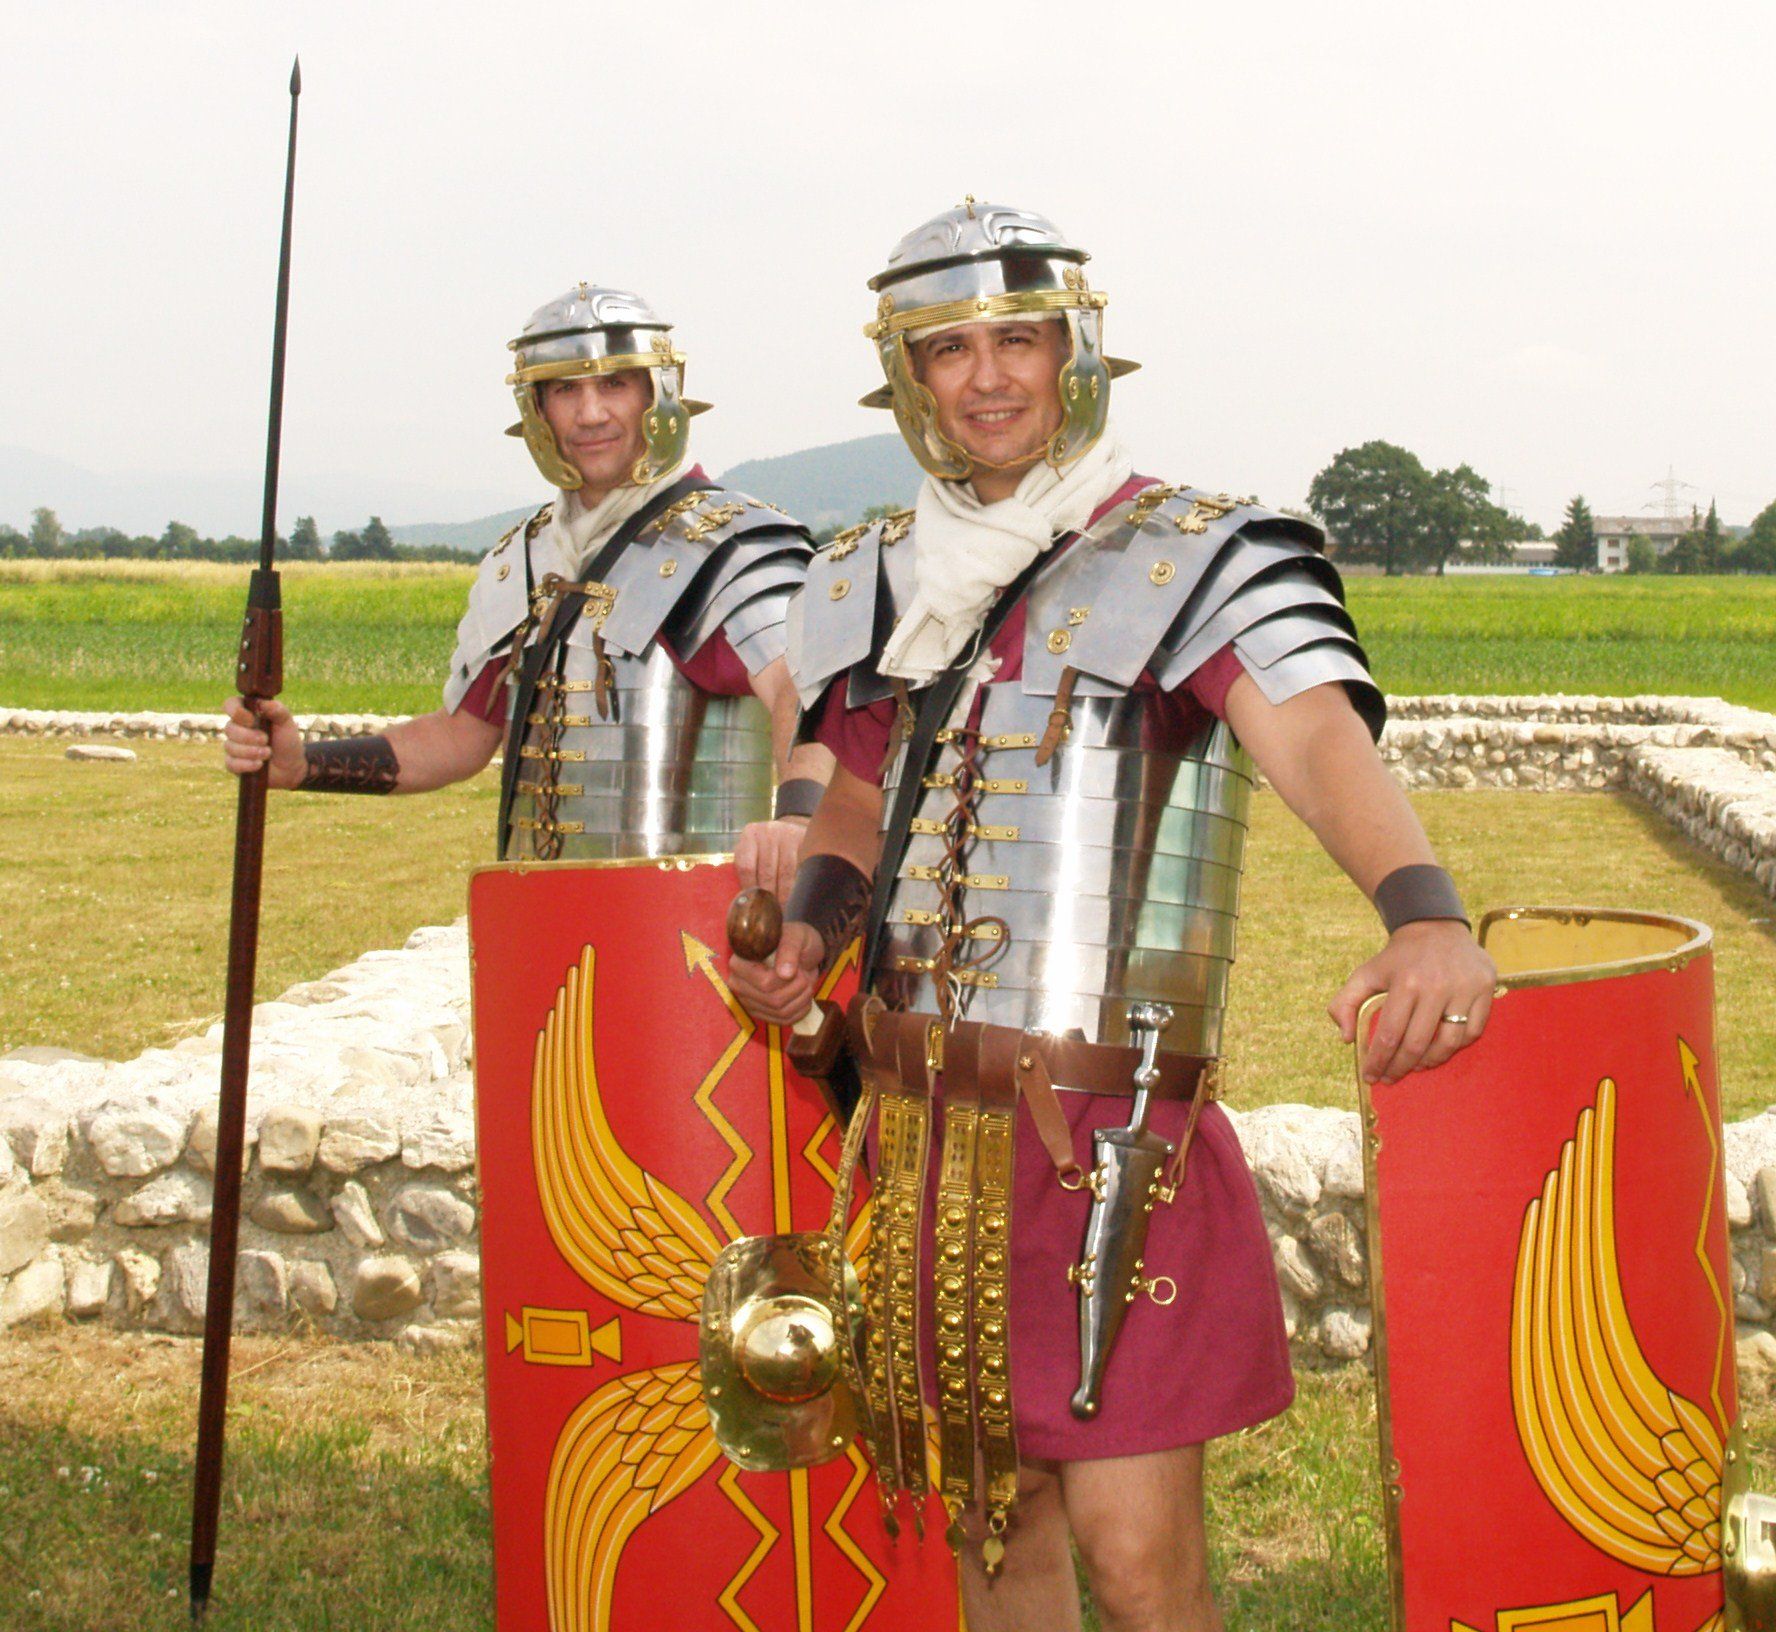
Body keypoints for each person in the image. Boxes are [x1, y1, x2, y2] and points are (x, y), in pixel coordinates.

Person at [726, 204, 1496, 1632]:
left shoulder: (1187, 553)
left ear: (1074, 353)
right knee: (987, 1518)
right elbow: (857, 800)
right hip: (920, 1125)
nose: (988, 378)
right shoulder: (868, 576)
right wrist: (813, 933)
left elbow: (1313, 736)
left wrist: (1422, 911)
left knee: (1137, 1557)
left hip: (1101, 1129)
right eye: (949, 350)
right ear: (908, 378)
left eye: (1017, 340)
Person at [222, 283, 827, 884]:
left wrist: (799, 820)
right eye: (565, 390)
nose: (590, 414)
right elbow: (459, 737)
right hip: (537, 912)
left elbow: (804, 691)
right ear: (536, 410)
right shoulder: (524, 558)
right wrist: (304, 764)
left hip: (688, 915)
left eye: (614, 384)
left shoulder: (729, 544)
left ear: (658, 394)